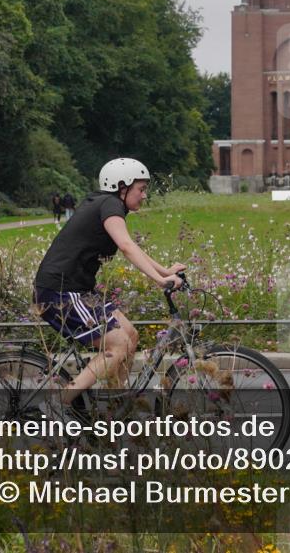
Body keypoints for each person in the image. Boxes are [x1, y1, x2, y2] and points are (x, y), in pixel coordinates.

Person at [34, 158, 185, 403]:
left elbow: (130, 246)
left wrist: (164, 271)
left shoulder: (106, 204)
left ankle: (117, 406)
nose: (144, 195)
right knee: (118, 344)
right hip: (61, 291)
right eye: (141, 189)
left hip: (78, 290)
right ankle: (58, 404)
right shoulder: (110, 204)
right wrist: (160, 280)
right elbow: (126, 247)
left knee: (130, 336)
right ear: (122, 187)